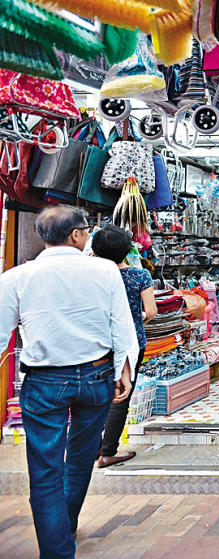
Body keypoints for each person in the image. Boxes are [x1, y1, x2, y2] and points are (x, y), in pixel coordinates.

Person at [0, 206, 138, 558]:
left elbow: (1, 336)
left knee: (45, 471)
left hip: (44, 381)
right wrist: (125, 367)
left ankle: (58, 545)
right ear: (76, 234)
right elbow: (120, 322)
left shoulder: (16, 277)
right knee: (79, 459)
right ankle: (66, 525)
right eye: (87, 229)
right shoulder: (105, 270)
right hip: (96, 375)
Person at [91, 224, 157, 469]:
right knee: (121, 396)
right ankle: (108, 452)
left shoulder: (90, 276)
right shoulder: (139, 276)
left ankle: (91, 448)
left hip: (97, 343)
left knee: (96, 395)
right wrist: (133, 319)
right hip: (131, 343)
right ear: (128, 250)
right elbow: (150, 311)